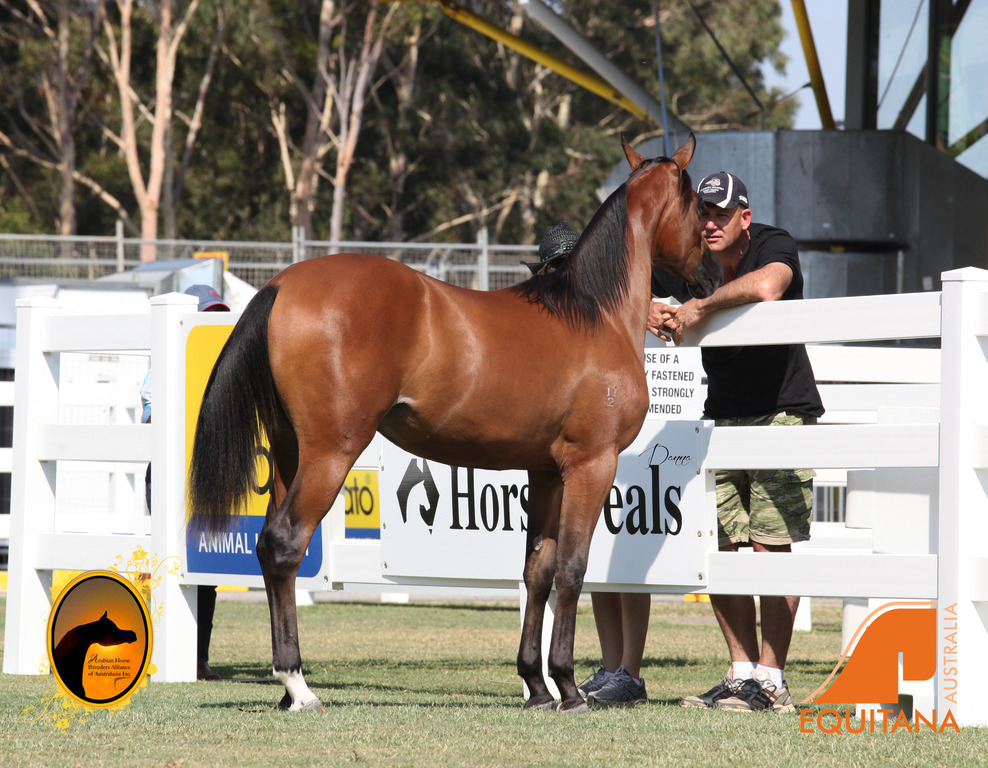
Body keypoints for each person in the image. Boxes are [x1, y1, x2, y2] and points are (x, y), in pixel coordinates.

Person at [645, 170, 825, 713]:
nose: (710, 223)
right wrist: (648, 307)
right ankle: (740, 673)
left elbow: (769, 286)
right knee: (722, 551)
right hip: (721, 416)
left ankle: (772, 681)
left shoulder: (773, 242)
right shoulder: (690, 260)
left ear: (744, 217)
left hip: (781, 414)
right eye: (703, 213)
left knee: (771, 547)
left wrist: (699, 306)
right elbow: (635, 293)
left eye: (721, 214)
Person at [141, 284, 231, 681]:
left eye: (217, 316)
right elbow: (149, 418)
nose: (212, 324)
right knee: (164, 564)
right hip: (167, 474)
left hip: (207, 471)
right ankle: (156, 652)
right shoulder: (161, 363)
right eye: (206, 315)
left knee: (206, 568)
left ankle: (198, 660)